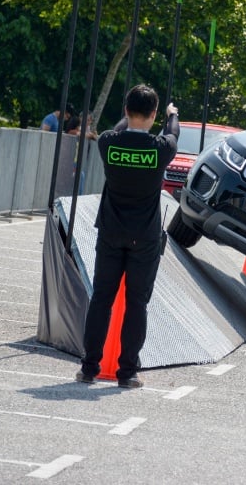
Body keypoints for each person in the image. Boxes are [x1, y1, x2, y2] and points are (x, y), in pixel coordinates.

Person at [76, 84, 179, 388]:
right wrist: (171, 115)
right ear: (154, 114)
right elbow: (173, 132)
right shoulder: (161, 149)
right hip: (143, 239)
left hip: (110, 233)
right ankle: (127, 372)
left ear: (125, 110)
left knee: (101, 300)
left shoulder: (108, 143)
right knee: (137, 304)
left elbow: (119, 128)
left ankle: (89, 367)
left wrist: (128, 120)